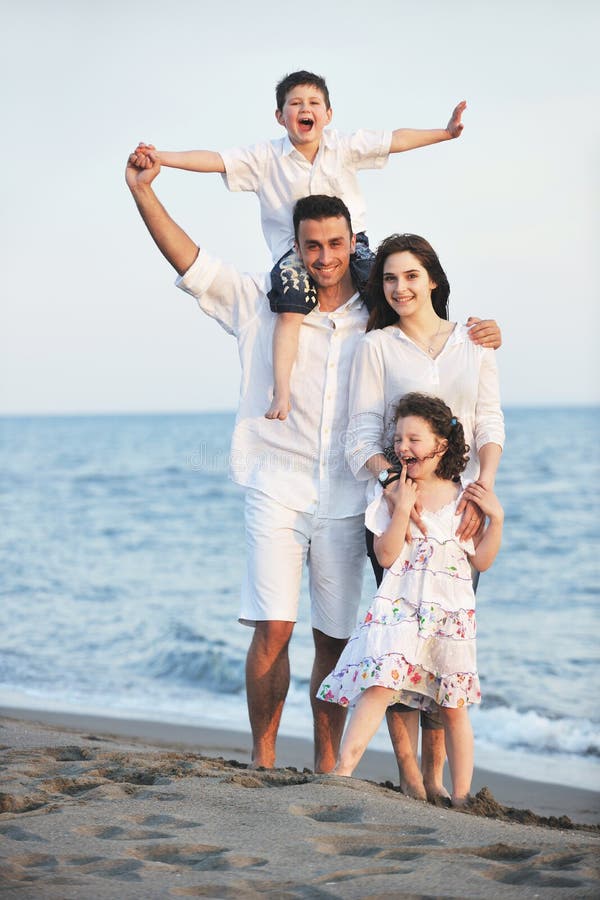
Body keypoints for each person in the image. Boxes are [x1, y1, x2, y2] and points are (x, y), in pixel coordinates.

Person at [125, 150, 500, 773]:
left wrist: (482, 333)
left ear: (352, 241)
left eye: (334, 244)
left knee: (335, 635)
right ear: (294, 247)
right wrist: (143, 193)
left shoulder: (378, 318)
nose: (323, 257)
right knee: (273, 628)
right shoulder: (264, 306)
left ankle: (327, 769)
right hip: (277, 484)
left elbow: (436, 345)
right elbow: (193, 263)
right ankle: (262, 761)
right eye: (310, 246)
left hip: (351, 498)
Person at [129, 69, 467, 421]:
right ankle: (283, 392)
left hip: (353, 245)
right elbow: (214, 160)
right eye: (295, 103)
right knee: (288, 313)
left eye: (314, 102)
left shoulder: (344, 146)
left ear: (328, 115)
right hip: (293, 253)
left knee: (387, 300)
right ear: (280, 116)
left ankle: (418, 376)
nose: (305, 108)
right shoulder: (264, 158)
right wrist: (162, 158)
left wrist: (445, 133)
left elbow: (394, 140)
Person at [346, 233, 505, 801]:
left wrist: (483, 485)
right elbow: (360, 433)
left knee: (446, 648)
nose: (400, 287)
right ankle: (411, 777)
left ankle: (439, 782)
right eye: (389, 278)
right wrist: (394, 488)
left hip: (459, 514)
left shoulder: (474, 341)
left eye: (411, 275)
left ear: (432, 278)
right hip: (398, 514)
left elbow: (489, 422)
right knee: (397, 647)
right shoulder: (377, 346)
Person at [319, 394, 504, 805]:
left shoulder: (464, 502)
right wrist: (401, 506)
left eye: (414, 439)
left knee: (453, 705)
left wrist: (498, 518)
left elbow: (485, 561)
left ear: (441, 444)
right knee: (381, 684)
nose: (403, 447)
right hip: (400, 611)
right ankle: (342, 772)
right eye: (398, 439)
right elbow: (385, 555)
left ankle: (460, 795)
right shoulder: (393, 495)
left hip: (449, 619)